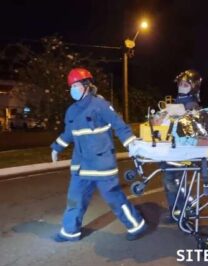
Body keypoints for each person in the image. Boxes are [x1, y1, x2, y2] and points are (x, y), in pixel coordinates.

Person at [51, 67, 147, 242]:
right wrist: (56, 147)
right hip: (80, 166)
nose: (74, 89)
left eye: (77, 85)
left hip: (102, 163)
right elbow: (68, 133)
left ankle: (136, 225)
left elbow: (118, 124)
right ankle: (70, 231)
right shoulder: (71, 111)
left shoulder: (101, 105)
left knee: (115, 199)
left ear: (87, 85)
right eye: (71, 86)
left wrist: (130, 142)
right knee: (74, 200)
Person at [161, 69, 202, 223]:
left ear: (193, 87)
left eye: (185, 84)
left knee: (173, 182)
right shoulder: (177, 101)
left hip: (181, 151)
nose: (181, 87)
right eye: (180, 84)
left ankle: (188, 207)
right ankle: (176, 211)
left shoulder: (192, 105)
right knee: (168, 181)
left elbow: (190, 128)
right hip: (171, 149)